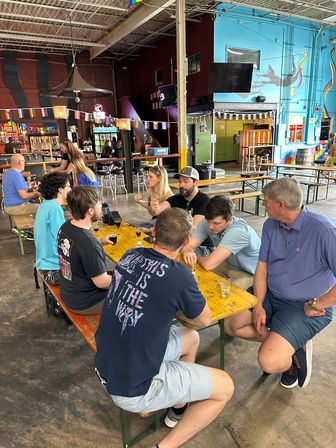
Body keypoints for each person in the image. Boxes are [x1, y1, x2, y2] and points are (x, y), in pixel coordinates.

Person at [95, 208, 234, 447]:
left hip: (105, 365)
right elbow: (204, 319)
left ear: (154, 232)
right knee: (225, 386)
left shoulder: (131, 254)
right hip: (132, 387)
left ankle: (177, 406)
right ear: (187, 240)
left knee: (190, 338)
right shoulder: (179, 275)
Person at [224, 178, 334, 389]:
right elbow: (262, 266)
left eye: (265, 201)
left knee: (269, 361)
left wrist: (317, 304)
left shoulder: (323, 230)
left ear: (280, 205)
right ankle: (292, 345)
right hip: (271, 293)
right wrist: (258, 304)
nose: (263, 204)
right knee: (231, 325)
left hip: (305, 305)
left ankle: (288, 356)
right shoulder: (271, 225)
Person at [181, 195, 261, 290]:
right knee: (193, 275)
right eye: (208, 221)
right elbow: (186, 247)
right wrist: (188, 252)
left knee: (224, 295)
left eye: (216, 223)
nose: (210, 227)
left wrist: (196, 257)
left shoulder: (239, 231)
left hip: (250, 273)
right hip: (227, 264)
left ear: (230, 219)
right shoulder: (207, 222)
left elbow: (208, 264)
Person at [57, 186, 112, 314]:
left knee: (116, 274)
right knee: (135, 292)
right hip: (84, 302)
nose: (101, 206)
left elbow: (77, 250)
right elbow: (102, 283)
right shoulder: (89, 244)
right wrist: (126, 279)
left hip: (69, 291)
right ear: (91, 211)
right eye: (99, 203)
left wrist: (99, 242)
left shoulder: (66, 226)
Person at [34, 172, 71, 285]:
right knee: (90, 273)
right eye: (68, 186)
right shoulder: (55, 209)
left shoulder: (45, 205)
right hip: (54, 270)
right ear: (60, 189)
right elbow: (63, 239)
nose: (70, 188)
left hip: (43, 264)